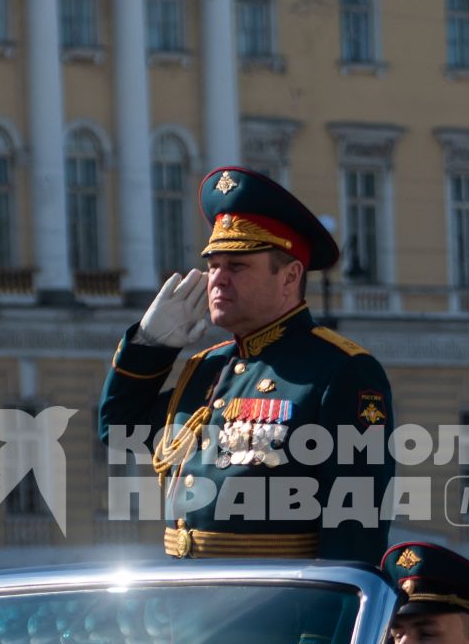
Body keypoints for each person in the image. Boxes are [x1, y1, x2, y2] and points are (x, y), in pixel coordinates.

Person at [97, 167, 395, 565]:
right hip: (188, 613)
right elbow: (120, 432)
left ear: (290, 277)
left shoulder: (340, 372)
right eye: (213, 265)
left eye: (237, 266)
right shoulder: (206, 369)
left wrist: (323, 627)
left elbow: (354, 531)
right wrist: (149, 347)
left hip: (279, 617)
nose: (217, 279)